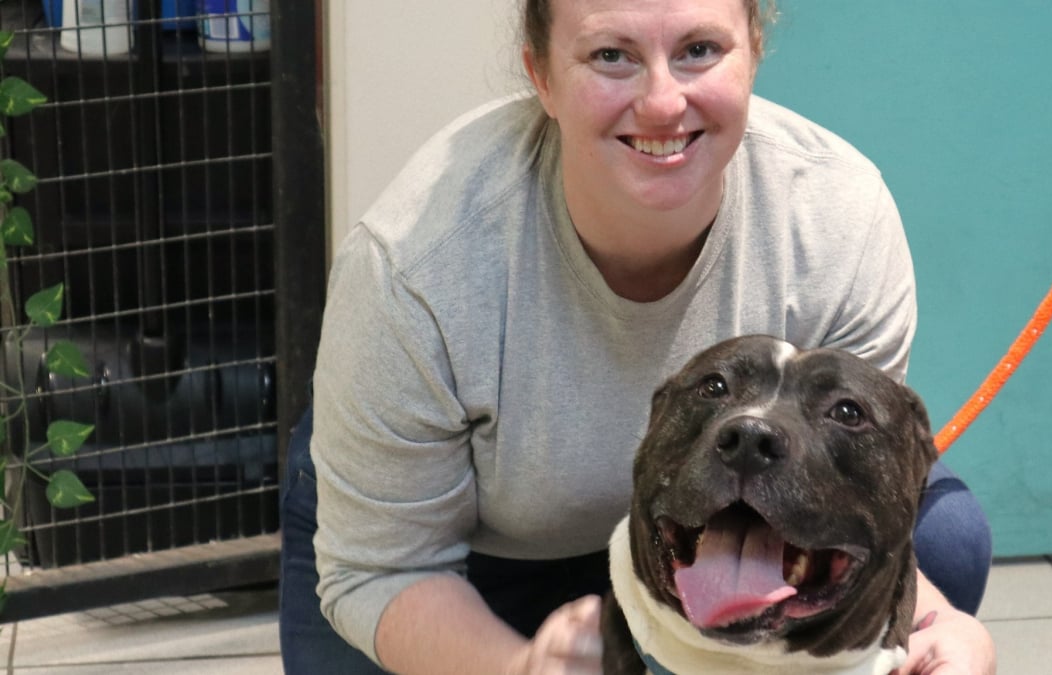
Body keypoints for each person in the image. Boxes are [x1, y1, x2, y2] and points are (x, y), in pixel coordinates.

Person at [279, 0, 997, 672]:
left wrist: (937, 623)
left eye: (700, 50)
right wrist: (518, 667)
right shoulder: (416, 265)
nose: (661, 102)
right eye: (612, 56)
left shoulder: (837, 218)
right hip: (466, 558)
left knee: (947, 539)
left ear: (753, 51)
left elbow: (860, 488)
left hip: (722, 531)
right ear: (542, 76)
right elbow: (383, 565)